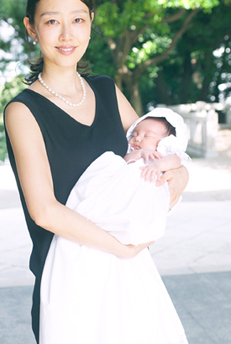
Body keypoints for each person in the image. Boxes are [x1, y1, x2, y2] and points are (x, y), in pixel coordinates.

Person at [4, 0, 189, 343]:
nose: (67, 34)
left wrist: (180, 176)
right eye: (52, 21)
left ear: (91, 22)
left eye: (77, 20)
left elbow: (162, 152)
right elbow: (44, 210)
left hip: (129, 279)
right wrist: (121, 246)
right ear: (31, 27)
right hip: (71, 282)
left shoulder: (106, 90)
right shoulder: (23, 111)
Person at [40, 108, 190, 344]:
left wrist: (163, 167)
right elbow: (124, 162)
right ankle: (95, 217)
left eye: (147, 135)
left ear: (166, 142)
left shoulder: (165, 154)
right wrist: (137, 154)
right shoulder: (135, 153)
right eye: (135, 134)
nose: (137, 138)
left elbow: (177, 161)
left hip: (145, 185)